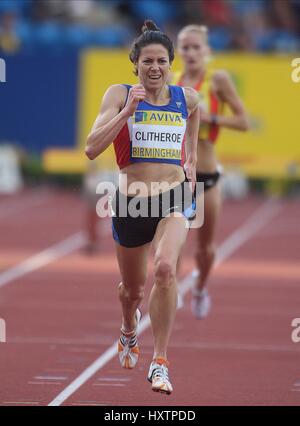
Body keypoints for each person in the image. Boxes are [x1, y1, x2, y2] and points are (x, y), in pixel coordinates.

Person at [85, 20, 200, 395]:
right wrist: (126, 112)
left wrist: (192, 157)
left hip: (175, 198)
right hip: (131, 204)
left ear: (170, 64)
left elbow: (195, 114)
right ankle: (128, 328)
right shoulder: (119, 94)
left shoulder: (186, 98)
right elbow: (91, 148)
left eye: (162, 61)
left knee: (166, 269)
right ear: (135, 64)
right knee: (132, 291)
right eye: (147, 61)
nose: (155, 67)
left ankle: (161, 362)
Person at [172, 25, 249, 319]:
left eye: (196, 47)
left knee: (204, 248)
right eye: (185, 47)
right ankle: (172, 289)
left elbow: (243, 121)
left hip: (207, 176)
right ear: (178, 51)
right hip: (179, 175)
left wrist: (210, 117)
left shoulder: (217, 80)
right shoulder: (172, 82)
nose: (190, 52)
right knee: (173, 241)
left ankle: (201, 287)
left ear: (207, 51)